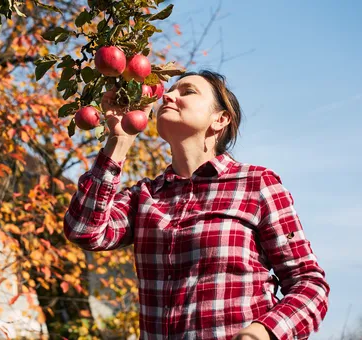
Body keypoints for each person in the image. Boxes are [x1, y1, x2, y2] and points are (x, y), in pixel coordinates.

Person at [63, 69, 330, 340]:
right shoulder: (145, 196)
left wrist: (262, 332)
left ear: (220, 119)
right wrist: (118, 142)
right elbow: (84, 231)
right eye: (171, 90)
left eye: (187, 91)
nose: (167, 95)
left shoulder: (256, 184)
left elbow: (309, 284)